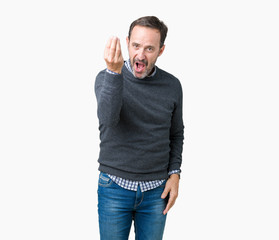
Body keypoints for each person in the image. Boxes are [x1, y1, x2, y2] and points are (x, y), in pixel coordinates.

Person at [94, 16, 184, 240]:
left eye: (149, 48)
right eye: (136, 46)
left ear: (161, 50)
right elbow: (108, 119)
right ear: (127, 42)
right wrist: (114, 74)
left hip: (156, 191)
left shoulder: (172, 85)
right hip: (114, 187)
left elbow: (176, 133)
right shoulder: (106, 78)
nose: (141, 55)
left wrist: (175, 174)